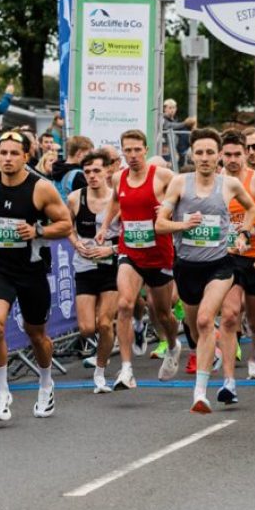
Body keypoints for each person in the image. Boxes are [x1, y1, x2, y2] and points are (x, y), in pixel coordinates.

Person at [0, 130, 73, 420]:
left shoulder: (41, 188)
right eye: (3, 153)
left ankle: (45, 382)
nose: (8, 158)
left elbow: (65, 224)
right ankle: (2, 391)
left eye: (14, 153)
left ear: (26, 157)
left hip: (32, 269)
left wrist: (38, 230)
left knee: (36, 334)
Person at [156, 128, 255, 413]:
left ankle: (200, 393)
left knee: (203, 320)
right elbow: (160, 224)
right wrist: (181, 226)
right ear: (192, 154)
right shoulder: (178, 183)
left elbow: (251, 209)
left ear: (219, 155)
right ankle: (207, 354)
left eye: (210, 152)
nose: (204, 157)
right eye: (199, 152)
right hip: (187, 266)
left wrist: (244, 234)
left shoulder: (230, 185)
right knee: (195, 328)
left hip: (220, 265)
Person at [97, 129, 183, 390]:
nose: (132, 155)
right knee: (124, 304)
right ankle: (126, 370)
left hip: (158, 253)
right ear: (122, 152)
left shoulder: (164, 176)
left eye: (137, 150)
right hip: (129, 250)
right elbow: (115, 202)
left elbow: (186, 198)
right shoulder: (118, 177)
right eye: (128, 150)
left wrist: (170, 210)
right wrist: (105, 226)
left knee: (163, 312)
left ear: (145, 149)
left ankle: (173, 344)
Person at [219, 130, 255, 383]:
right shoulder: (215, 182)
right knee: (230, 315)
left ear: (246, 154)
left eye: (237, 154)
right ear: (221, 155)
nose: (232, 159)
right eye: (227, 154)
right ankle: (229, 380)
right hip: (226, 258)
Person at [68, 151, 120, 393]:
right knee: (87, 328)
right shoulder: (75, 198)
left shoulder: (118, 199)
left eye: (97, 170)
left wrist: (111, 250)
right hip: (85, 265)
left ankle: (100, 371)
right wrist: (76, 242)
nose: (91, 176)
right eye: (87, 172)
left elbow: (130, 236)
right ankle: (106, 349)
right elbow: (65, 224)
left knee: (105, 323)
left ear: (107, 171)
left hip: (112, 267)